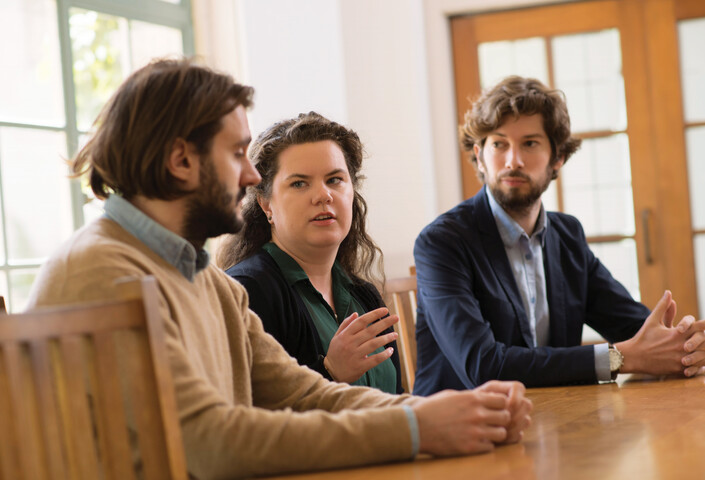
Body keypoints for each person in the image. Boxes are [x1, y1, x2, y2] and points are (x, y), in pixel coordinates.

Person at [26, 59, 532, 479]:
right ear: (181, 160)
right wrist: (418, 430)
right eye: (235, 153)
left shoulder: (206, 280)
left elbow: (305, 393)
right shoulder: (99, 268)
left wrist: (441, 413)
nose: (250, 176)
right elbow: (208, 442)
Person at [413, 75, 705, 395]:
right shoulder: (441, 242)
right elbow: (484, 366)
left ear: (558, 158)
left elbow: (637, 330)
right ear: (480, 156)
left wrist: (686, 346)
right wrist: (617, 359)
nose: (513, 161)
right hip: (458, 430)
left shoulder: (567, 235)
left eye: (530, 143)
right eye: (499, 144)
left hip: (554, 416)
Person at [217, 112, 402, 394]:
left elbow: (396, 397)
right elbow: (256, 415)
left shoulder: (363, 294)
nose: (323, 195)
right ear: (266, 204)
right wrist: (331, 372)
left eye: (335, 180)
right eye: (299, 183)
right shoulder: (248, 290)